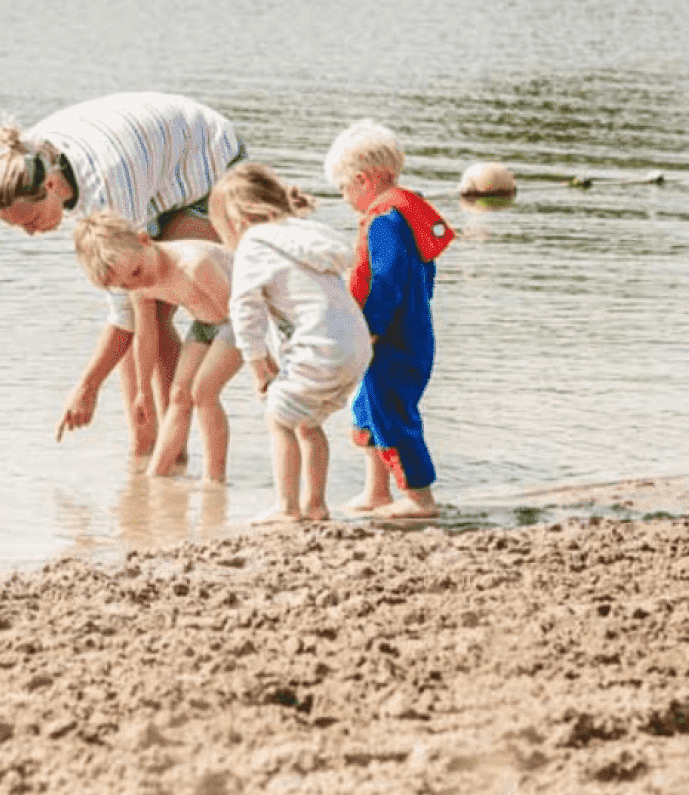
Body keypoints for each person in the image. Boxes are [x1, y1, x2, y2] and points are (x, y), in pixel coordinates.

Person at [0, 92, 245, 462]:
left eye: (32, 221)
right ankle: (145, 455)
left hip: (208, 163)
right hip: (152, 171)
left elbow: (128, 315)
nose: (30, 233)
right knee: (141, 313)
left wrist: (87, 386)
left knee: (153, 303)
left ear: (53, 187)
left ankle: (170, 453)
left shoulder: (107, 187)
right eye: (17, 227)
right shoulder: (22, 162)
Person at [208, 163, 372, 522]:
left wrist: (257, 365)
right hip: (356, 346)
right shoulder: (305, 234)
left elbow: (244, 308)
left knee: (279, 419)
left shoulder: (255, 241)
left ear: (240, 220)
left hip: (322, 347)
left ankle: (287, 507)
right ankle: (315, 506)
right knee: (307, 422)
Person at [324, 120, 455, 519]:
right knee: (367, 407)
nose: (346, 198)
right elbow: (425, 274)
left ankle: (420, 499)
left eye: (345, 189)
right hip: (412, 331)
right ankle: (376, 492)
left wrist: (372, 330)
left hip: (394, 339)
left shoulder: (385, 221)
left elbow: (386, 281)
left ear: (364, 181)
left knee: (391, 411)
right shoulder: (406, 214)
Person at [71, 210, 243, 484]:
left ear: (144, 240)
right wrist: (142, 390)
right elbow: (146, 336)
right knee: (177, 396)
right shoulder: (137, 284)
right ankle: (156, 478)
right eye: (125, 284)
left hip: (241, 318)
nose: (137, 285)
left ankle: (215, 479)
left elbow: (241, 315)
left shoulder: (194, 264)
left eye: (136, 273)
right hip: (205, 322)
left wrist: (264, 361)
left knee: (203, 392)